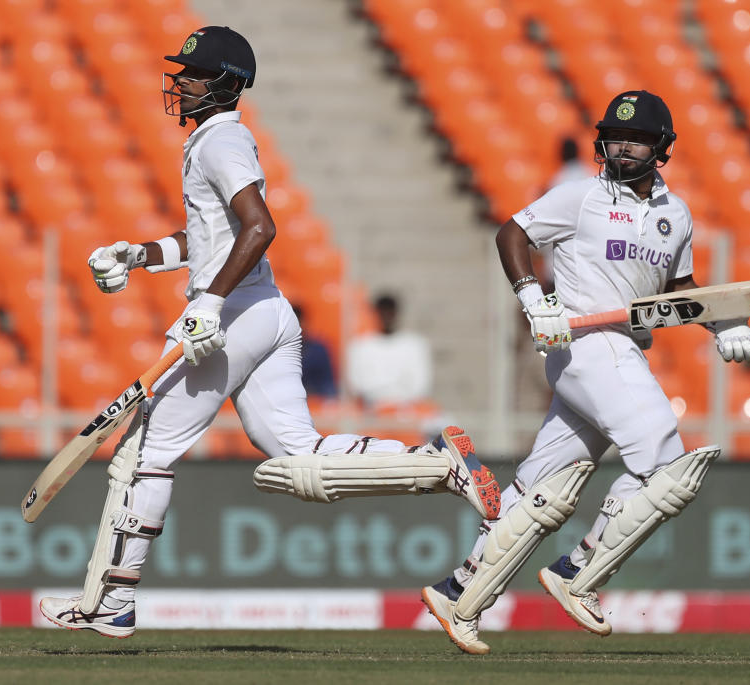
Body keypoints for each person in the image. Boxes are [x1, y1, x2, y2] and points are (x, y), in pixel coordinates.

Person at [39, 26, 500, 639]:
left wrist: (207, 304)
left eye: (194, 74)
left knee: (144, 455)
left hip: (234, 317)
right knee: (300, 455)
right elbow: (211, 239)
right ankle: (439, 466)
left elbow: (260, 228)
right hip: (266, 311)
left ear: (226, 83)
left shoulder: (220, 140)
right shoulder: (216, 139)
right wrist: (138, 254)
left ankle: (110, 602)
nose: (181, 83)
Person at [420, 90, 750, 654]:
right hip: (584, 342)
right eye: (616, 138)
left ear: (662, 148)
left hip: (619, 349)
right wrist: (534, 299)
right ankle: (578, 572)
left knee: (544, 490)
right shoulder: (582, 197)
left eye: (638, 140)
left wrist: (724, 322)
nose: (623, 148)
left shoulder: (674, 216)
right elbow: (512, 234)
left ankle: (459, 593)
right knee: (667, 466)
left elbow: (679, 290)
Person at [345, 293, 433, 407]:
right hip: (370, 413)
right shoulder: (359, 346)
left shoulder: (415, 344)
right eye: (382, 312)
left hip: (408, 412)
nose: (386, 316)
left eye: (389, 312)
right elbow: (356, 386)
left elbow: (420, 386)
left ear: (396, 313)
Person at [293, 304, 338, 398]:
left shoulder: (318, 350)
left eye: (299, 321)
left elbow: (328, 385)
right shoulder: (275, 353)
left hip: (316, 402)